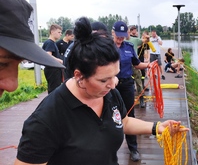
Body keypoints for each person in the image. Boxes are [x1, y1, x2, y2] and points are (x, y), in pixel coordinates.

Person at [14, 17, 188, 165]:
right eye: (104, 80)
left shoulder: (110, 94)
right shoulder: (46, 120)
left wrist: (157, 127)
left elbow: (123, 122)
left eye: (115, 75)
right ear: (79, 76)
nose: (113, 84)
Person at [0, 0, 64, 98]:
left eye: (18, 64)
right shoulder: (50, 43)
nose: (13, 85)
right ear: (52, 31)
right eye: (1, 64)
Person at [112, 21, 150, 162]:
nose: (121, 38)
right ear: (113, 33)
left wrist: (149, 65)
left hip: (127, 84)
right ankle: (110, 150)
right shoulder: (106, 47)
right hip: (111, 85)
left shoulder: (129, 46)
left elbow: (137, 63)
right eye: (118, 35)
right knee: (109, 115)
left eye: (123, 35)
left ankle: (133, 148)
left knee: (129, 114)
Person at [126, 25, 145, 108]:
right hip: (124, 65)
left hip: (134, 64)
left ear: (129, 32)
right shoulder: (120, 41)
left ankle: (141, 99)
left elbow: (144, 41)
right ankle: (127, 100)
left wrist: (147, 37)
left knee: (139, 82)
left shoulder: (135, 40)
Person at [42, 24, 64, 94]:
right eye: (59, 32)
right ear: (52, 32)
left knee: (55, 89)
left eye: (61, 32)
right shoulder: (50, 43)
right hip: (52, 70)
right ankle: (52, 104)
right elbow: (48, 55)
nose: (60, 34)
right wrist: (60, 60)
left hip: (53, 70)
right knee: (53, 91)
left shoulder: (52, 43)